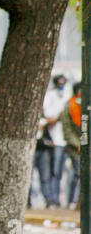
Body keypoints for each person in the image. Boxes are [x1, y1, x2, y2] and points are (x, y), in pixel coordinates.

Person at [43, 74, 70, 208]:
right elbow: (49, 118)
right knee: (53, 172)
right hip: (54, 140)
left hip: (65, 140)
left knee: (61, 173)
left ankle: (58, 199)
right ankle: (51, 199)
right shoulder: (50, 96)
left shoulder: (67, 96)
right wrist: (60, 117)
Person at [60, 82, 81, 210]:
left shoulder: (86, 106)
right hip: (75, 147)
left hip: (85, 145)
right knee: (77, 174)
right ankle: (72, 200)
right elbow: (67, 130)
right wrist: (78, 144)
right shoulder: (69, 107)